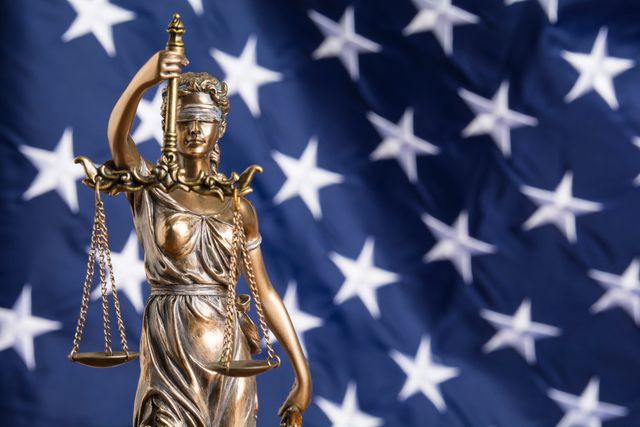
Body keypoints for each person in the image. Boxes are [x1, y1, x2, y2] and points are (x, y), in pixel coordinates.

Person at [106, 49, 311, 427]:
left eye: (205, 119)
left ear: (221, 127)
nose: (195, 129)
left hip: (230, 357)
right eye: (184, 120)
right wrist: (143, 80)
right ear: (169, 127)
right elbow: (118, 139)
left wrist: (302, 375)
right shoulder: (152, 190)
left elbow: (264, 291)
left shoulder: (238, 208)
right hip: (170, 349)